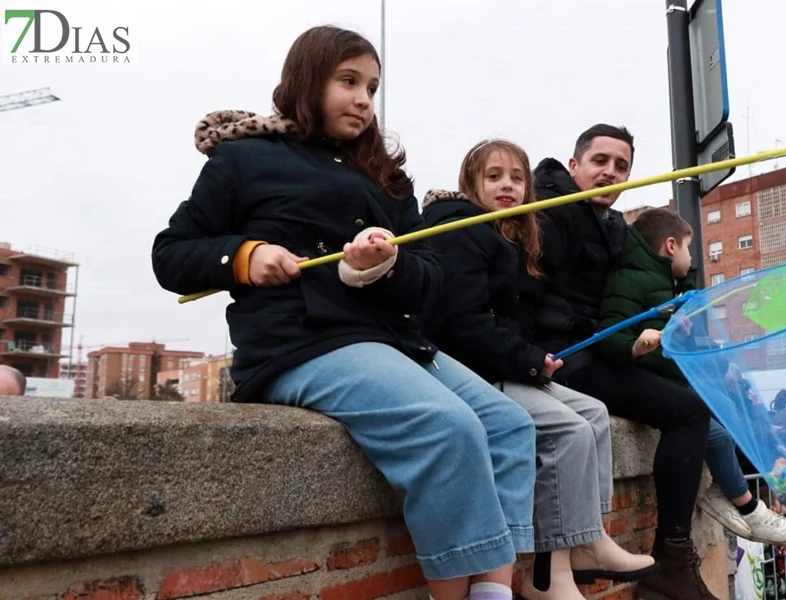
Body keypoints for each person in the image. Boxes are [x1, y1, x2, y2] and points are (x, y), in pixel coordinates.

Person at [150, 26, 536, 600]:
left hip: (392, 342)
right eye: (348, 81)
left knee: (510, 426)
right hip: (299, 344)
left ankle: (496, 591)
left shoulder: (386, 177)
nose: (363, 100)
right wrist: (246, 257)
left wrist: (380, 267)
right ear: (308, 80)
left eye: (372, 87)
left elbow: (429, 279)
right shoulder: (243, 160)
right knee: (449, 428)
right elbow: (171, 254)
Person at [420, 139, 657, 600]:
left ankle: (589, 536)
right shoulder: (460, 231)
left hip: (509, 366)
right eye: (494, 177)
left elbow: (515, 320)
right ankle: (547, 578)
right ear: (471, 183)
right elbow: (464, 323)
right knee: (567, 432)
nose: (507, 186)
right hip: (476, 373)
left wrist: (533, 356)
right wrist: (528, 360)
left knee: (593, 414)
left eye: (516, 178)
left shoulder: (512, 236)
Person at [525, 124, 717, 599]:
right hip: (562, 354)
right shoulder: (545, 212)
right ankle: (671, 559)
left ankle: (687, 542)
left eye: (621, 167)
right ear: (575, 167)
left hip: (600, 346)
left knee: (697, 398)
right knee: (687, 411)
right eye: (600, 162)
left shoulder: (612, 226)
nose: (609, 172)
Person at [592, 207, 786, 547]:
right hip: (649, 383)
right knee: (717, 435)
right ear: (671, 245)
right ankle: (748, 506)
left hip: (670, 382)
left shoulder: (667, 285)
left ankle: (730, 494)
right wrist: (638, 345)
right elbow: (611, 332)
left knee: (725, 423)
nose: (693, 259)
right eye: (690, 249)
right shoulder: (633, 279)